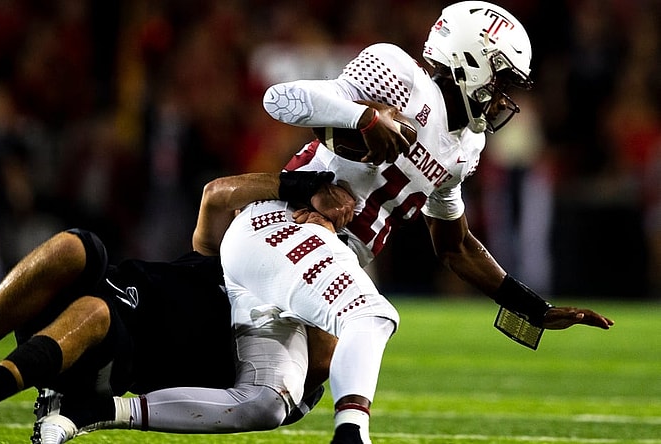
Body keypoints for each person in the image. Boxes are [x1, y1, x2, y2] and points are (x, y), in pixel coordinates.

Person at [49, 3, 613, 444]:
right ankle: (352, 435)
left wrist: (531, 307)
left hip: (322, 257)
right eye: (502, 81)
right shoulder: (398, 74)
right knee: (372, 314)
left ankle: (96, 410)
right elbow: (280, 98)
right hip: (281, 226)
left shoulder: (464, 147)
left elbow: (456, 244)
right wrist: (362, 116)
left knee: (267, 402)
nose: (503, 99)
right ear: (471, 61)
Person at [0, 173, 351, 442]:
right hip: (93, 307)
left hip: (111, 357)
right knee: (76, 246)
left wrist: (327, 252)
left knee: (97, 312)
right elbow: (215, 195)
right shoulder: (225, 259)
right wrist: (301, 186)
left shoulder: (272, 336)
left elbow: (321, 362)